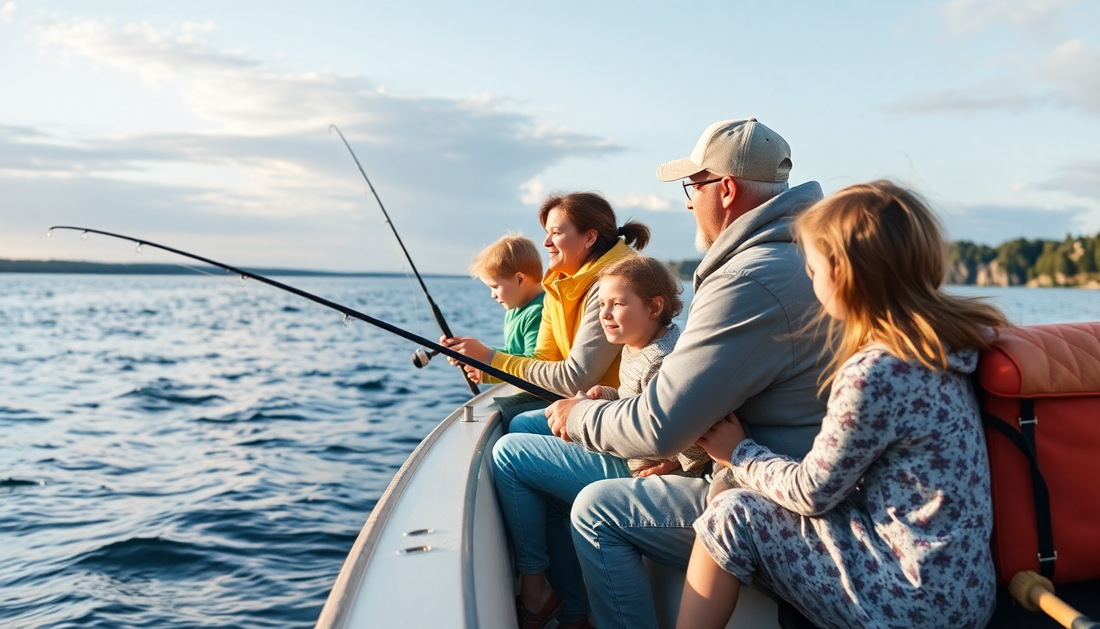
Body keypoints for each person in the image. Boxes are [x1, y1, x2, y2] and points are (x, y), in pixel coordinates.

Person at [543, 118, 831, 629]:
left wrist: (581, 413)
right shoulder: (805, 257)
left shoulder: (749, 278)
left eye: (691, 187)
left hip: (770, 497)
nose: (686, 202)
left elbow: (659, 427)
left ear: (725, 189)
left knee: (595, 510)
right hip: (786, 474)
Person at [678, 180, 1005, 629]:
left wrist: (739, 453)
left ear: (843, 272)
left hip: (911, 604)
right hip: (964, 593)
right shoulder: (947, 345)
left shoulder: (876, 371)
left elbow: (812, 492)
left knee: (731, 515)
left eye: (812, 269)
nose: (810, 280)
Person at [493, 255, 705, 629]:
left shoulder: (664, 359)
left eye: (617, 304)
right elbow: (637, 403)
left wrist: (677, 461)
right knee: (526, 421)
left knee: (510, 454)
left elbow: (690, 422)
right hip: (626, 441)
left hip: (637, 462)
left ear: (655, 306)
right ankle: (569, 595)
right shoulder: (636, 342)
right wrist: (606, 397)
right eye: (601, 304)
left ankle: (537, 585)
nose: (604, 314)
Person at [443, 192, 648, 419]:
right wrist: (484, 362)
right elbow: (544, 361)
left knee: (517, 425)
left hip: (620, 411)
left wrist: (489, 358)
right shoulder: (556, 286)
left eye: (556, 233)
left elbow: (576, 378)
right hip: (583, 402)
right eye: (546, 233)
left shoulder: (614, 287)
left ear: (589, 238)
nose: (546, 242)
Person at [467, 234, 546, 380]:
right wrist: (474, 355)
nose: (493, 295)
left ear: (520, 279)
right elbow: (512, 354)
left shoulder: (538, 311)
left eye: (495, 286)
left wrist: (487, 367)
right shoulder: (514, 310)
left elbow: (534, 367)